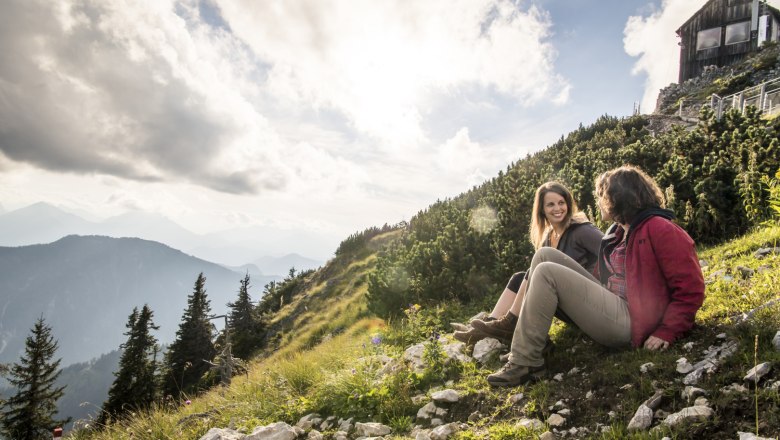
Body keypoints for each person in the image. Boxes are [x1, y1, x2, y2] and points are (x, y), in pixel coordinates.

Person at [486, 165, 705, 387]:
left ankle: (526, 362)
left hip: (633, 321)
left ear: (617, 198)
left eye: (601, 196)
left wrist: (667, 331)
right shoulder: (618, 232)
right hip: (614, 304)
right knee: (544, 256)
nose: (598, 201)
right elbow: (605, 276)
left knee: (546, 272)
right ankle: (531, 344)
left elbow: (691, 289)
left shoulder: (660, 228)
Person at [454, 181, 603, 345]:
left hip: (588, 305)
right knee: (520, 277)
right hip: (565, 301)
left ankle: (510, 324)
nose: (557, 208)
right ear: (542, 210)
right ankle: (489, 327)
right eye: (550, 204)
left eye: (561, 203)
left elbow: (614, 254)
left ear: (568, 204)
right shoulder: (549, 237)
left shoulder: (582, 230)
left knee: (533, 273)